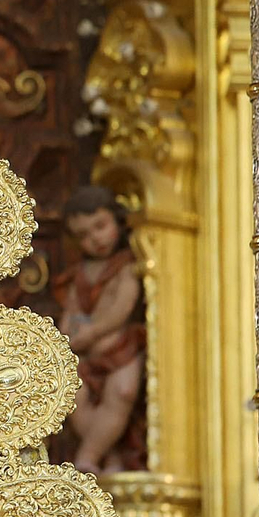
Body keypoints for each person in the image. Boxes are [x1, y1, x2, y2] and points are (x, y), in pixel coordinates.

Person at [55, 185, 146, 474]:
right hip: (85, 353)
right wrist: (65, 335)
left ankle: (88, 456)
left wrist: (92, 333)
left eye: (100, 226)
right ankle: (105, 453)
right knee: (72, 395)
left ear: (117, 221)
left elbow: (122, 309)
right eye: (83, 235)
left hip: (120, 347)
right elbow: (71, 309)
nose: (95, 239)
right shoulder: (81, 272)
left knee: (123, 391)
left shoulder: (126, 266)